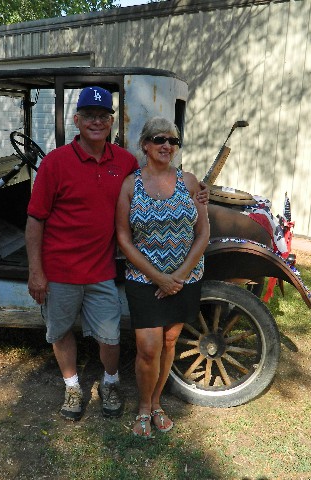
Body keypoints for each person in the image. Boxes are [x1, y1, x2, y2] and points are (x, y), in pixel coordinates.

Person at [25, 86, 138, 421]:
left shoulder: (125, 161)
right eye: (89, 115)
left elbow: (152, 185)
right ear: (77, 120)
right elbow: (35, 220)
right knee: (60, 332)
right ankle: (72, 386)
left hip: (101, 269)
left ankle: (110, 382)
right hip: (59, 271)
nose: (96, 121)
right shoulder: (56, 163)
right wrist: (36, 272)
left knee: (111, 336)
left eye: (103, 116)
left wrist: (193, 189)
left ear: (112, 122)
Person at [115, 117, 209, 438]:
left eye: (172, 140)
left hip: (185, 279)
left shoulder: (190, 182)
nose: (166, 145)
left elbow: (203, 232)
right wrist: (159, 278)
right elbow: (124, 239)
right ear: (145, 145)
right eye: (159, 139)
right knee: (148, 348)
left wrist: (178, 277)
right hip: (144, 281)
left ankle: (156, 403)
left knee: (170, 341)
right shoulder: (131, 185)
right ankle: (143, 406)